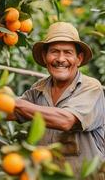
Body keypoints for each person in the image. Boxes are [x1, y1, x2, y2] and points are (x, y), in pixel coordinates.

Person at [14, 22, 105, 174]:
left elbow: (66, 120)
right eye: (54, 52)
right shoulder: (39, 88)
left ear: (79, 58)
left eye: (68, 52)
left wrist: (13, 102)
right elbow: (10, 112)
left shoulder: (90, 87)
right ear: (44, 57)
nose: (60, 58)